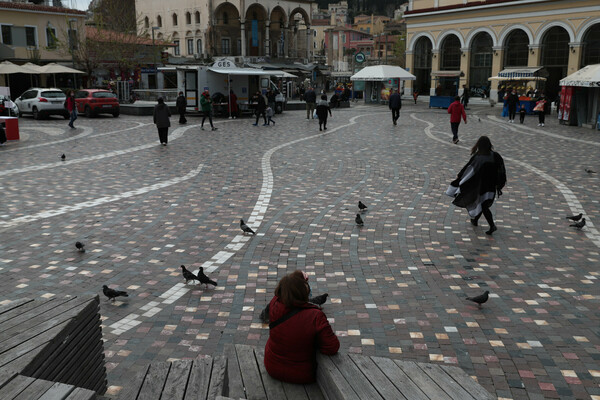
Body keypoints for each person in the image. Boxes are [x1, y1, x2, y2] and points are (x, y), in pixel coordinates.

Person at [264, 270, 339, 384]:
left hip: (272, 367)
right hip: (300, 374)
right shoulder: (315, 316)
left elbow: (288, 286)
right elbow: (332, 347)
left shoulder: (274, 303)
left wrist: (297, 277)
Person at [446, 136, 506, 235]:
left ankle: (492, 226)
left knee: (483, 205)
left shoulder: (478, 157)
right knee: (483, 203)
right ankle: (475, 220)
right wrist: (500, 184)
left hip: (481, 186)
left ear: (479, 145)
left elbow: (468, 168)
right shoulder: (496, 156)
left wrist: (460, 176)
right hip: (491, 186)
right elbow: (502, 170)